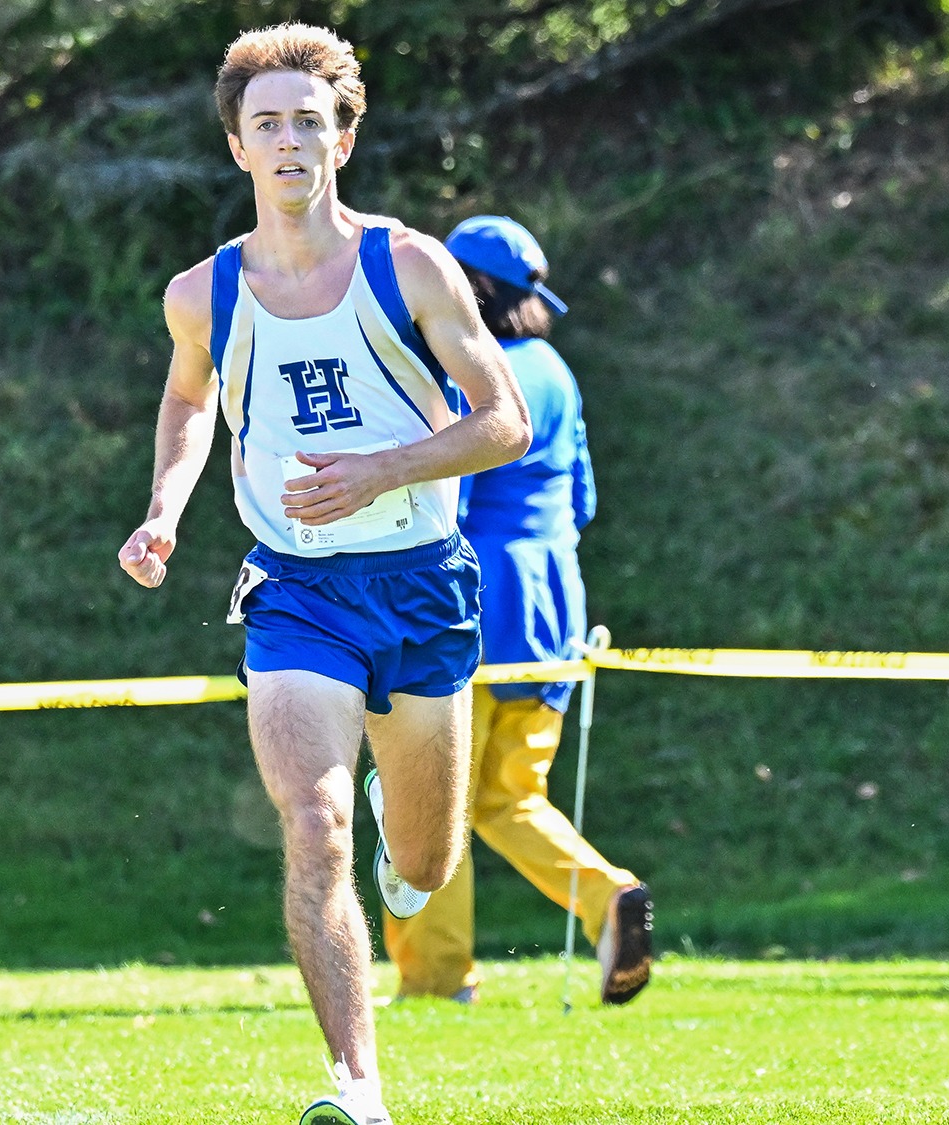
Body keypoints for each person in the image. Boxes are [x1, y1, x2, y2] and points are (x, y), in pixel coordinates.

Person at [116, 24, 531, 1125]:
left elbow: (504, 423)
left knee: (426, 860)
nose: (289, 140)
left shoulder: (409, 265)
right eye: (267, 124)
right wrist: (163, 509)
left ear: (342, 139)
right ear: (237, 148)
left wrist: (379, 471)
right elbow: (188, 398)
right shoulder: (201, 294)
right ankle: (358, 1089)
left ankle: (407, 868)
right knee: (312, 822)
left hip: (420, 584)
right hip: (297, 589)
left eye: (309, 120)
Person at [381, 216, 653, 1007]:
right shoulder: (558, 372)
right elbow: (584, 500)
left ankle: (436, 981)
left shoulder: (468, 371)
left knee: (429, 802)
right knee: (507, 796)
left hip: (469, 607)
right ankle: (609, 897)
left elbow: (444, 505)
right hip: (552, 608)